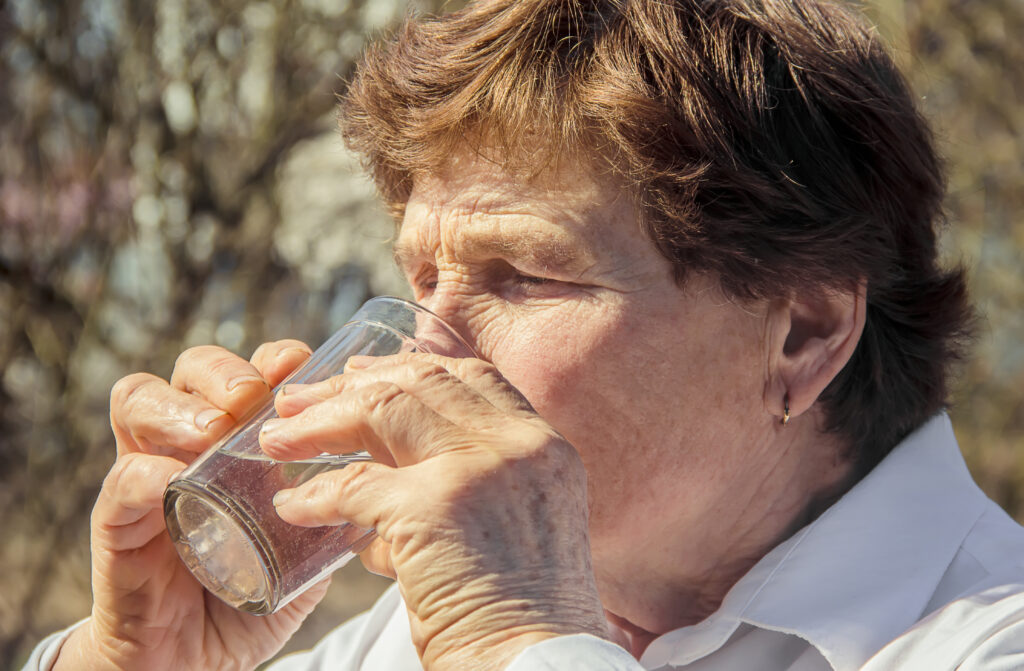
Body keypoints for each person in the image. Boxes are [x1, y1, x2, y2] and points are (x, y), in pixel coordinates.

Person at [26, 0, 1024, 669]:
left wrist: (516, 634)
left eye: (521, 277)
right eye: (421, 278)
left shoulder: (988, 635)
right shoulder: (399, 635)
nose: (426, 348)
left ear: (804, 331)